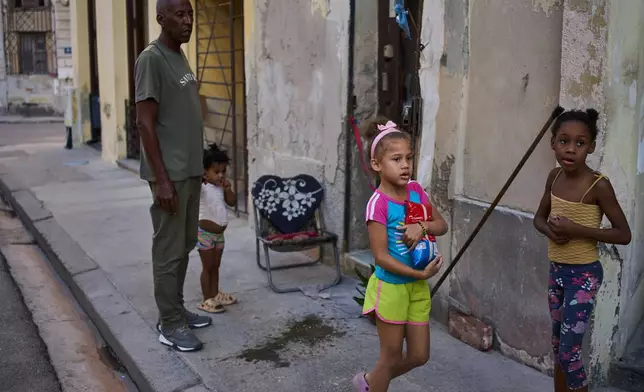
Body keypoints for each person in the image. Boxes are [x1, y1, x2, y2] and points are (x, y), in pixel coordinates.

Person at [533, 109, 631, 391]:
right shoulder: (554, 177)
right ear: (552, 143)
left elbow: (624, 234)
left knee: (569, 354)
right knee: (558, 350)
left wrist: (576, 229)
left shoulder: (598, 185)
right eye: (564, 141)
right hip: (557, 272)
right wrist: (549, 230)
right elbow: (539, 218)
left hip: (584, 276)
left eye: (580, 143)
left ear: (591, 147)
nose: (571, 149)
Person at [135, 0, 211, 352]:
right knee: (168, 250)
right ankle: (169, 323)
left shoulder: (179, 56)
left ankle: (176, 310)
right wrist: (162, 180)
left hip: (190, 170)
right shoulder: (152, 59)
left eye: (190, 14)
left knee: (184, 246)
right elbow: (145, 123)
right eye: (180, 15)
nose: (187, 21)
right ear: (160, 18)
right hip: (171, 175)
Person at [353, 118, 448, 392]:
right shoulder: (378, 205)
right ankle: (375, 383)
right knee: (391, 356)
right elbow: (381, 257)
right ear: (377, 165)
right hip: (392, 288)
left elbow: (441, 225)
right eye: (396, 159)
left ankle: (371, 381)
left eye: (408, 157)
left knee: (420, 355)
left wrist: (422, 226)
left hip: (417, 287)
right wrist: (420, 274)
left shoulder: (416, 191)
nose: (405, 165)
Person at [196, 143, 238, 313]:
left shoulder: (221, 187)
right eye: (216, 171)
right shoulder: (202, 187)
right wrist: (201, 179)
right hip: (205, 234)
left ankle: (215, 293)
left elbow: (232, 202)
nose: (221, 175)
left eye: (223, 171)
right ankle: (206, 299)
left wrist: (228, 189)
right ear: (205, 172)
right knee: (208, 266)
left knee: (216, 265)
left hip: (219, 236)